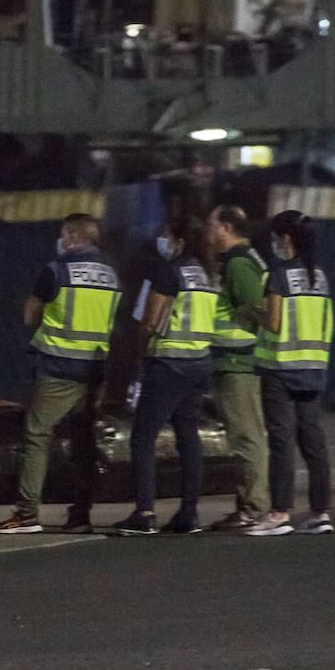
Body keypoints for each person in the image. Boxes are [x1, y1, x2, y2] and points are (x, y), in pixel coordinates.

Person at [0, 213, 121, 534]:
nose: (61, 240)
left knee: (37, 437)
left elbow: (29, 316)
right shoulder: (112, 275)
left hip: (57, 368)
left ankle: (26, 515)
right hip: (95, 371)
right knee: (83, 443)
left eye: (64, 234)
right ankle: (81, 515)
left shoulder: (57, 270)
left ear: (75, 237)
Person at [114, 215, 217, 535]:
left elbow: (149, 322)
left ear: (179, 241)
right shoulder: (207, 275)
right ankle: (189, 513)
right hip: (199, 362)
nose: (162, 240)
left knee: (143, 436)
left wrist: (140, 354)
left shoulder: (169, 272)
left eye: (166, 235)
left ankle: (145, 512)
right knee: (188, 436)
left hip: (169, 362)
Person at [244, 210, 333, 536]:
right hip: (312, 368)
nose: (272, 242)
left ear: (285, 239)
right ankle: (319, 512)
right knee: (313, 442)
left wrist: (252, 309)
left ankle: (279, 513)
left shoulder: (279, 275)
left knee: (281, 442)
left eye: (274, 236)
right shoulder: (319, 277)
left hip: (280, 369)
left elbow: (274, 322)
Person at [205, 204, 270, 531]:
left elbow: (261, 308)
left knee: (246, 437)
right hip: (237, 360)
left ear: (227, 228)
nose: (208, 233)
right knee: (247, 435)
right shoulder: (245, 259)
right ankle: (249, 504)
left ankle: (254, 507)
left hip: (238, 361)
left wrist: (242, 319)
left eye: (212, 226)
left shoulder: (239, 264)